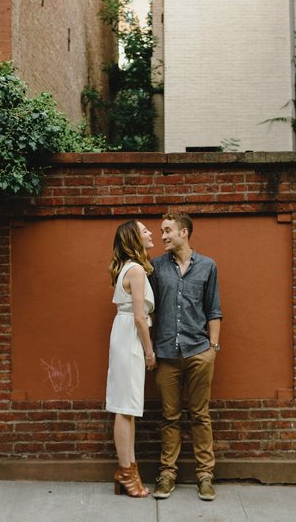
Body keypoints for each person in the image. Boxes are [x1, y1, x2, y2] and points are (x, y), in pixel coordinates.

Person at [149, 212, 222, 501]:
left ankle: (205, 476)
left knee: (200, 416)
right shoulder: (155, 267)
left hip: (198, 352)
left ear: (184, 232)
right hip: (166, 354)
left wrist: (212, 350)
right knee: (170, 417)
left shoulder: (207, 266)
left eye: (167, 230)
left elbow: (214, 310)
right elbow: (149, 309)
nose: (163, 236)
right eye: (161, 231)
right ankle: (167, 474)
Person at [105, 219, 158, 498]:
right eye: (144, 230)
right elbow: (140, 317)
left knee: (129, 407)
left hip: (125, 335)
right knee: (125, 407)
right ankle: (126, 472)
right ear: (134, 239)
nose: (151, 233)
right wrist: (149, 352)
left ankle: (128, 470)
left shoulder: (130, 267)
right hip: (131, 338)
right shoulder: (136, 269)